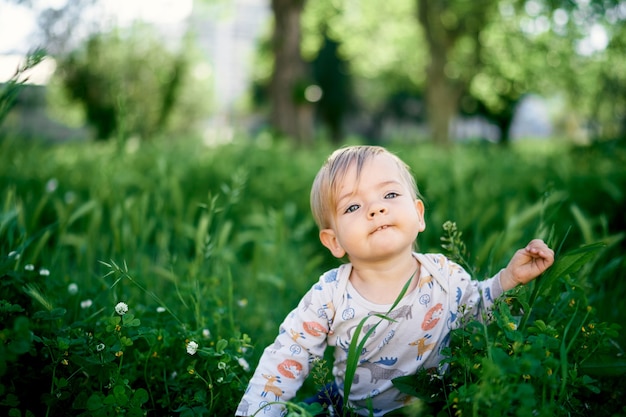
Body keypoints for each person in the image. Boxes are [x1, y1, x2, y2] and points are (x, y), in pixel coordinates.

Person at [235, 145, 554, 417]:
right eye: (353, 206)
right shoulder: (330, 295)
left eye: (389, 193)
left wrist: (509, 279)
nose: (376, 208)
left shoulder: (444, 275)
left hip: (437, 402)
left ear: (418, 215)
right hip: (349, 407)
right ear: (334, 242)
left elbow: (479, 309)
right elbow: (286, 357)